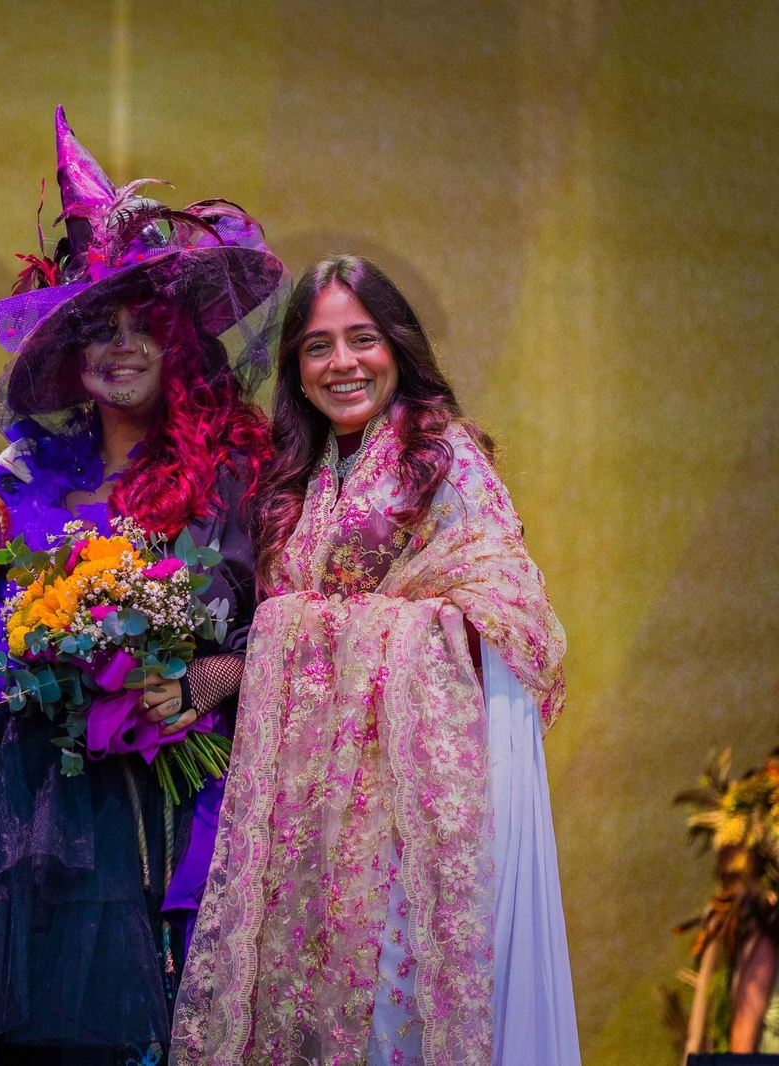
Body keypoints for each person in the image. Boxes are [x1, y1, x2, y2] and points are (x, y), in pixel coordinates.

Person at [0, 108, 286, 1064]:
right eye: (100, 331)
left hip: (177, 809)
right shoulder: (18, 484)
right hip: (37, 818)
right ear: (71, 356)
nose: (122, 347)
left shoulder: (237, 479)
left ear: (179, 344)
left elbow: (290, 629)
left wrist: (207, 679)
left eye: (143, 328)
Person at [171, 256, 581, 1065]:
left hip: (410, 800)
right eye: (317, 346)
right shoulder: (299, 475)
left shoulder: (445, 456)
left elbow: (508, 610)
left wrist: (321, 626)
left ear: (398, 345)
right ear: (296, 367)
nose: (342, 363)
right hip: (307, 807)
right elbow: (271, 615)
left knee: (393, 1003)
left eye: (362, 339)